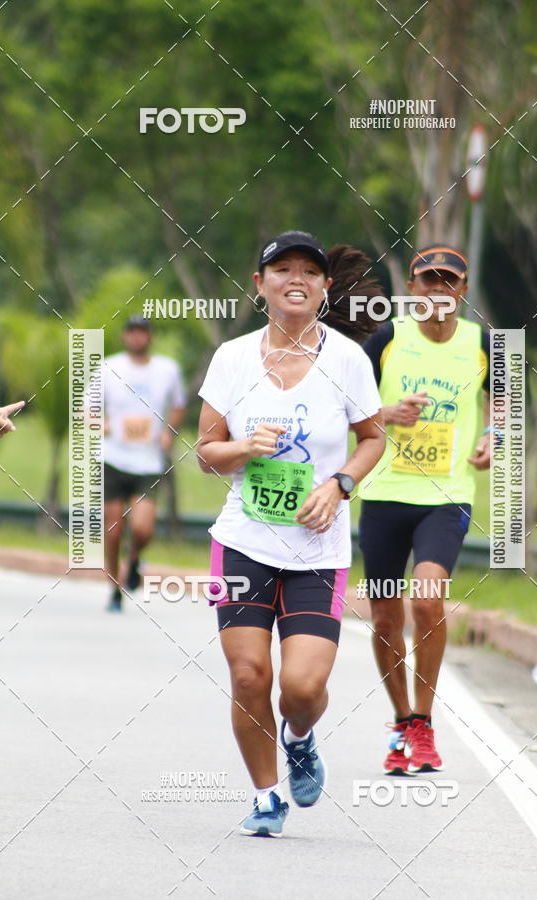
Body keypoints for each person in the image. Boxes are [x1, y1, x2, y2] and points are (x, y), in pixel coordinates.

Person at [197, 231, 385, 837]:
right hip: (243, 543)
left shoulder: (348, 361)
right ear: (261, 285)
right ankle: (265, 796)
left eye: (310, 269)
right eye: (281, 269)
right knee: (250, 673)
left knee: (302, 687)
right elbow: (205, 452)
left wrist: (341, 486)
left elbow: (374, 438)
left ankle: (299, 736)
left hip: (319, 551)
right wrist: (241, 448)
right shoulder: (232, 358)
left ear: (326, 287)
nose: (295, 277)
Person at [358, 244, 494, 775]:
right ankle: (400, 723)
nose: (438, 292)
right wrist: (386, 412)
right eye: (428, 281)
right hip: (385, 494)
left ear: (462, 291)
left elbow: (504, 399)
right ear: (412, 290)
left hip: (446, 495)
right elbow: (348, 401)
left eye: (449, 282)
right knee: (385, 614)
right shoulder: (389, 338)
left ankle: (424, 722)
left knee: (428, 599)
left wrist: (493, 435)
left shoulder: (482, 344)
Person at [101, 316, 186, 611]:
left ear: (150, 337)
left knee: (142, 528)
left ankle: (134, 557)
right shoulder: (109, 367)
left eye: (143, 333)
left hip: (148, 461)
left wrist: (167, 433)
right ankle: (114, 588)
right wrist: (103, 425)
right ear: (125, 336)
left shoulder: (167, 369)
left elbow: (178, 405)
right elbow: (86, 409)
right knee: (112, 532)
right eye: (132, 332)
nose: (138, 338)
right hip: (113, 458)